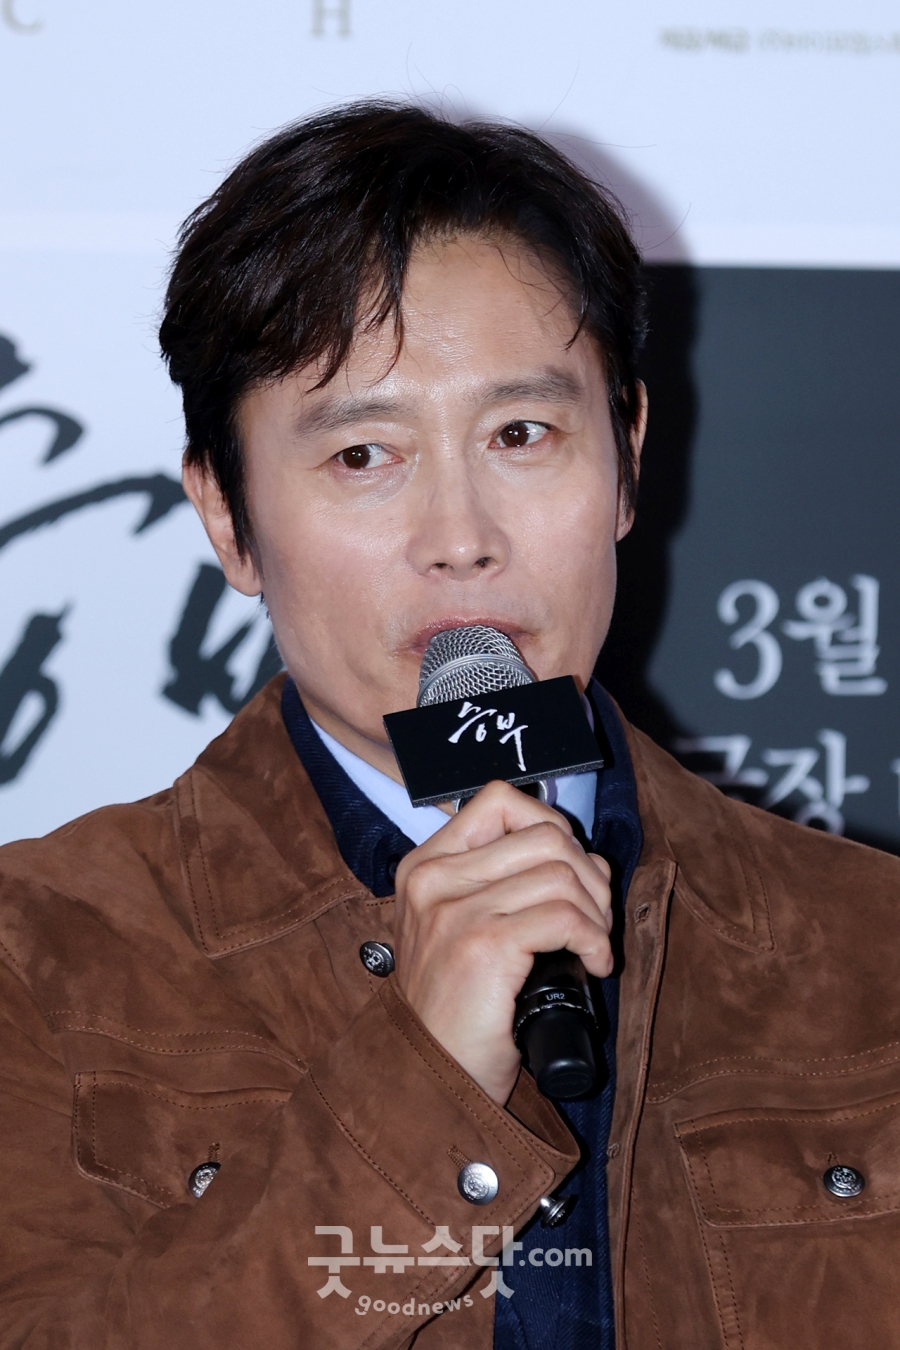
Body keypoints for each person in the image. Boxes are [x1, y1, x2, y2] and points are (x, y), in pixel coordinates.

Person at [1, 102, 899, 1350]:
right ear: (227, 519)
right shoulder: (38, 959)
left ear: (627, 458)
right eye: (364, 457)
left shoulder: (870, 946)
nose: (461, 538)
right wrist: (418, 1080)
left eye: (520, 435)